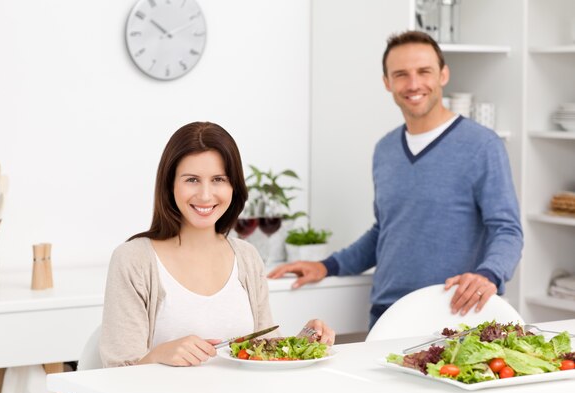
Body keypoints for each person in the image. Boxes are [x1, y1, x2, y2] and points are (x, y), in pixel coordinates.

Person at [269, 31, 523, 329]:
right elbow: (385, 231)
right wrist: (327, 266)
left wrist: (488, 274)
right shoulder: (385, 149)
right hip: (388, 314)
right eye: (401, 74)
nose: (413, 84)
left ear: (443, 74)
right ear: (387, 82)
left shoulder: (483, 145)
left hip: (455, 315)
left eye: (424, 71)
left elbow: (507, 229)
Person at [99, 121, 335, 373]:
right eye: (191, 180)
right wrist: (159, 355)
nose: (205, 195)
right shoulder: (134, 259)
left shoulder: (246, 256)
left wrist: (303, 342)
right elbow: (116, 374)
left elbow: (264, 352)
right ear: (170, 185)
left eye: (218, 179)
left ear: (233, 186)